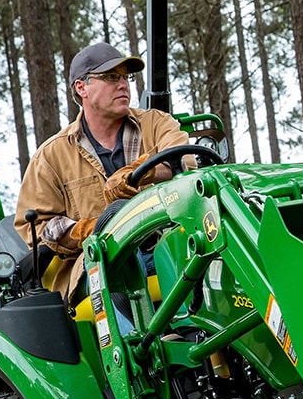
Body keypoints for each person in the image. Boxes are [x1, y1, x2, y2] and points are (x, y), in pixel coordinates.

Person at [14, 42, 189, 300]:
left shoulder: (156, 123)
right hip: (98, 264)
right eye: (110, 77)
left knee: (197, 246)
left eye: (125, 77)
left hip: (163, 245)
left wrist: (142, 172)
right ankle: (135, 340)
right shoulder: (51, 156)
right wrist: (95, 230)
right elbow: (36, 227)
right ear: (81, 87)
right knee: (115, 262)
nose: (123, 84)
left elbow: (186, 164)